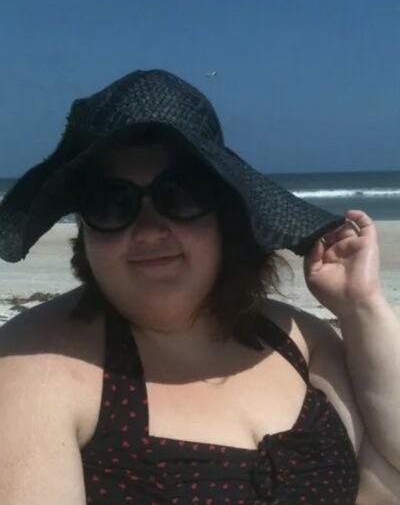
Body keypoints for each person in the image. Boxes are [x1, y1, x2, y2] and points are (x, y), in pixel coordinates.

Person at [0, 69, 399, 504]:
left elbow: (388, 475)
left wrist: (362, 306)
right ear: (85, 230)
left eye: (180, 195)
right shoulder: (32, 365)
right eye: (112, 204)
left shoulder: (299, 341)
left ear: (225, 213)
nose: (149, 230)